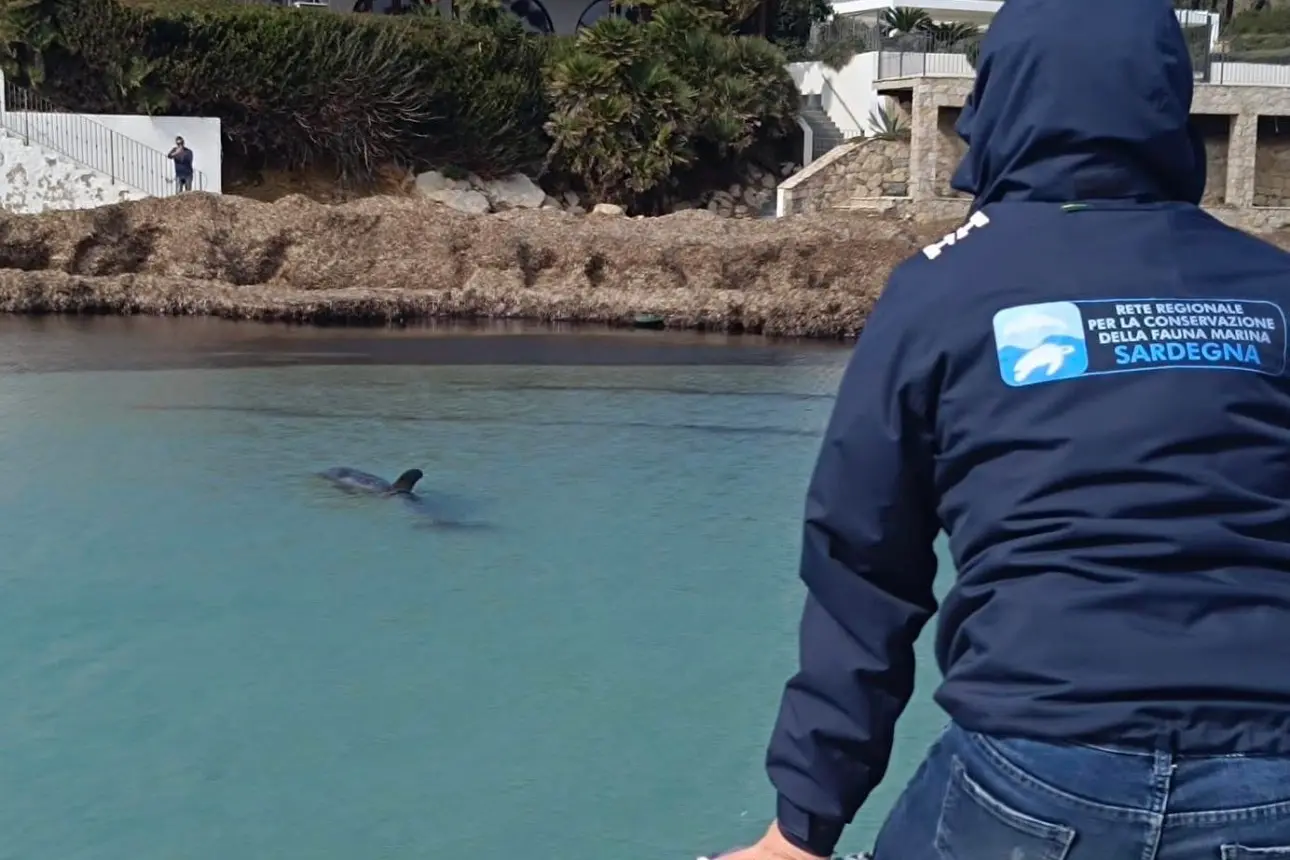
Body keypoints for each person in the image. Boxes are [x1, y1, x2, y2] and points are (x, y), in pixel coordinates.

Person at [720, 0, 1290, 858]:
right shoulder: (1273, 289)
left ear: (1004, 99)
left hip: (1037, 769)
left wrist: (801, 828)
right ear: (1169, 101)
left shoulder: (943, 291)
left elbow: (864, 567)